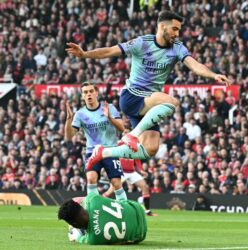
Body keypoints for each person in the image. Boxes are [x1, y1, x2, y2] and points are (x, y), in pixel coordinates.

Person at [66, 10, 230, 169]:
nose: (177, 33)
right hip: (132, 96)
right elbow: (110, 51)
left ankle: (104, 152)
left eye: (178, 30)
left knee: (150, 149)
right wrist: (85, 54)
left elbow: (194, 65)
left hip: (147, 102)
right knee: (171, 101)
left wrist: (213, 75)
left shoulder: (177, 48)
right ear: (162, 27)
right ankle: (131, 135)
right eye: (174, 29)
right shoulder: (142, 43)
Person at [64, 82, 127, 201]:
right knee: (91, 178)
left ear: (96, 93)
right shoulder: (80, 114)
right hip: (92, 152)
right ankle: (92, 209)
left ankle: (124, 209)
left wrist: (109, 118)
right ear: (82, 96)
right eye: (85, 92)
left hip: (111, 150)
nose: (88, 94)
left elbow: (122, 128)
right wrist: (68, 120)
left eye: (91, 91)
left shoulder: (109, 107)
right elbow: (68, 137)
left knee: (116, 182)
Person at [58, 193, 147, 245]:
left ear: (75, 224)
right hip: (137, 207)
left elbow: (78, 238)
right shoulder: (92, 198)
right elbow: (77, 199)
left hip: (141, 233)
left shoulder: (92, 239)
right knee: (113, 202)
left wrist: (75, 237)